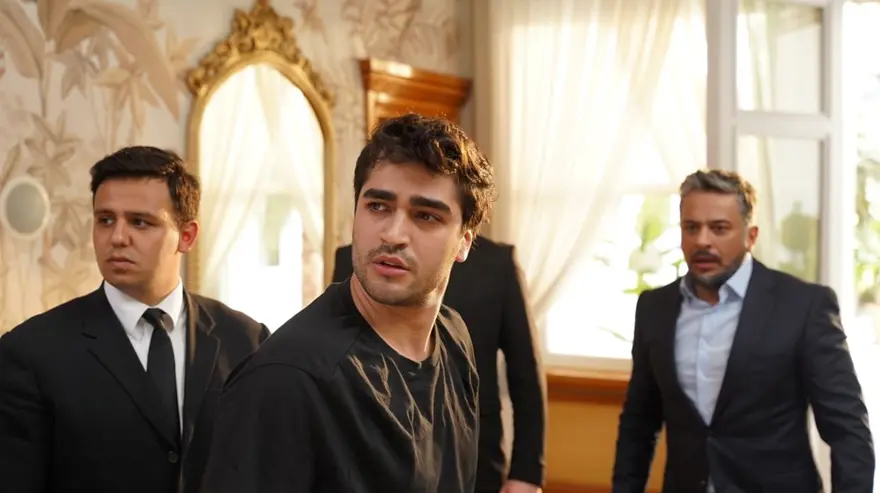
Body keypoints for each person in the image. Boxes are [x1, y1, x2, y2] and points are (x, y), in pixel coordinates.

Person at [199, 113, 496, 492]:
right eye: (378, 206)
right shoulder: (286, 377)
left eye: (425, 215)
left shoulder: (453, 336)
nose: (393, 234)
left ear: (465, 240)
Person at [0, 146, 270, 493]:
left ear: (186, 236)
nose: (117, 237)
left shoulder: (246, 340)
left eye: (140, 222)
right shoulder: (30, 352)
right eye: (105, 220)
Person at [612, 169, 874, 493]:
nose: (702, 240)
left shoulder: (803, 307)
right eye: (691, 227)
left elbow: (847, 428)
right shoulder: (655, 308)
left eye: (719, 228)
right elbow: (639, 422)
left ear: (751, 236)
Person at [332, 235, 547, 493]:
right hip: (372, 455)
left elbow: (526, 375)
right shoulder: (352, 258)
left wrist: (526, 474)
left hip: (476, 457)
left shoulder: (497, 263)